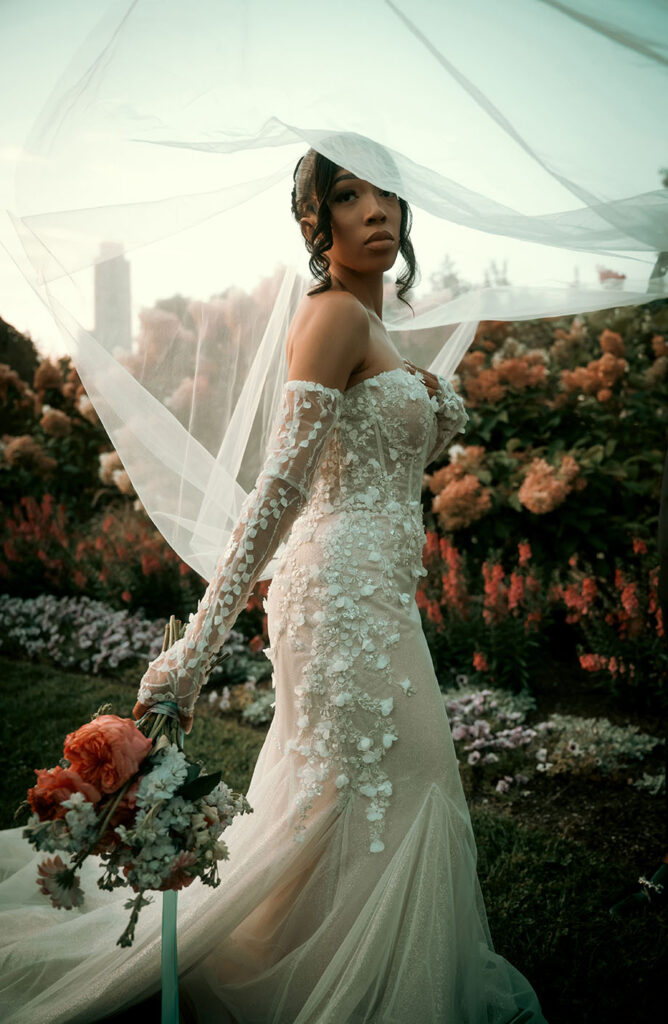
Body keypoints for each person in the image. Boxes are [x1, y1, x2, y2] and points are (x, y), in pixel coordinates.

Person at [0, 149, 548, 1024]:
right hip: (335, 596)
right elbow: (278, 493)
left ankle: (323, 964)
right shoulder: (330, 318)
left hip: (368, 594)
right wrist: (196, 648)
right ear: (313, 223)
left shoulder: (368, 323)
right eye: (346, 194)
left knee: (357, 789)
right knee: (395, 783)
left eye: (384, 192)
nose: (375, 209)